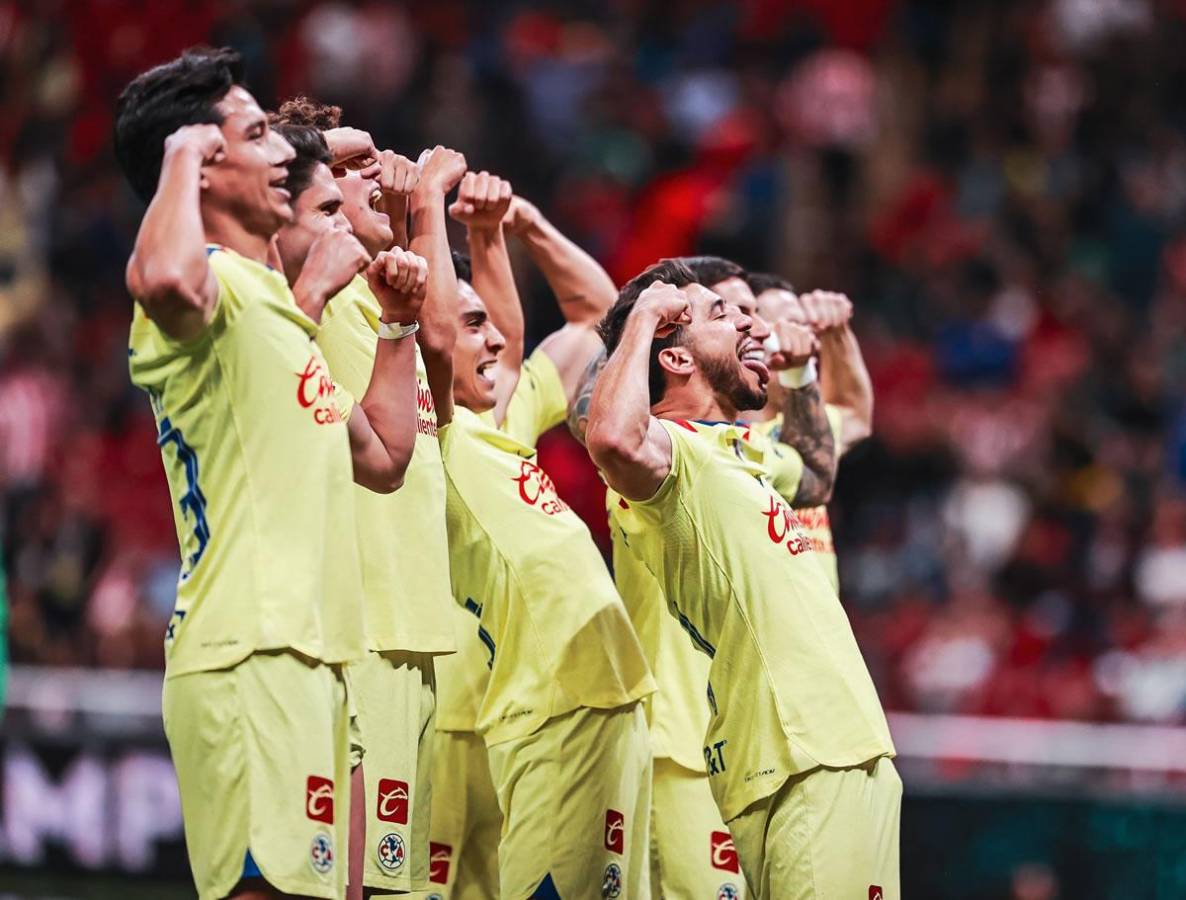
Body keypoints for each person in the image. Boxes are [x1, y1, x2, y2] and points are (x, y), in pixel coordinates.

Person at [116, 47, 426, 900]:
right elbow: (163, 274)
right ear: (208, 162)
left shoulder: (279, 317)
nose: (282, 153)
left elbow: (385, 459)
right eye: (256, 135)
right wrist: (179, 154)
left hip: (317, 655)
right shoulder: (204, 289)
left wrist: (396, 327)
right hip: (251, 646)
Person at [587, 259, 899, 898]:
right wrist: (646, 313)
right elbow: (612, 437)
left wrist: (798, 372)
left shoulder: (738, 452)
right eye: (722, 314)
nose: (751, 322)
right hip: (795, 750)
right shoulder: (669, 457)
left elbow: (817, 473)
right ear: (674, 359)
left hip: (844, 744)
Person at [420, 172, 655, 899]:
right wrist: (431, 203)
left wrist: (514, 225)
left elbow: (596, 319)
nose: (493, 337)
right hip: (477, 707)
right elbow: (433, 333)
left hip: (559, 698)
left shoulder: (507, 413)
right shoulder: (428, 425)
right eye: (471, 324)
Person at [270, 100, 466, 897]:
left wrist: (420, 224)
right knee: (354, 884)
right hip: (364, 622)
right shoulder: (303, 283)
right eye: (357, 172)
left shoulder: (386, 310)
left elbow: (447, 342)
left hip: (417, 627)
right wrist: (417, 200)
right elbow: (281, 167)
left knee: (399, 888)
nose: (381, 176)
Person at [744, 270, 874, 590]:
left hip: (818, 632)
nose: (808, 342)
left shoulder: (805, 430)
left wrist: (836, 331)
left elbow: (853, 411)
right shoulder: (705, 439)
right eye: (790, 327)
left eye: (808, 328)